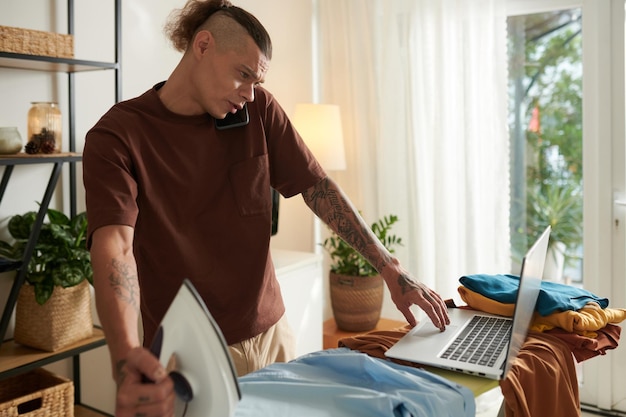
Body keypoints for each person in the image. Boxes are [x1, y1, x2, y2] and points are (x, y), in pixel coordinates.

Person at [83, 0, 450, 415]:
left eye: (257, 81)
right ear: (202, 46)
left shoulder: (257, 109)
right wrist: (126, 356)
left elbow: (317, 187)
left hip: (273, 334)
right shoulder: (118, 136)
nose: (251, 92)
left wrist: (389, 267)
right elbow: (116, 248)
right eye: (243, 75)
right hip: (189, 356)